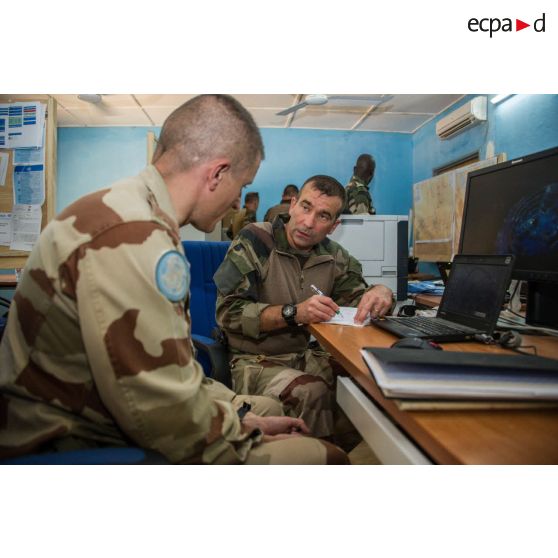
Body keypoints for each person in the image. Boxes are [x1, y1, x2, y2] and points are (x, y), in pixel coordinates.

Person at [0, 95, 348, 465]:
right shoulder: (134, 236)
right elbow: (156, 408)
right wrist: (242, 429)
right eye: (241, 185)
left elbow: (167, 370)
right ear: (217, 173)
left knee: (263, 407)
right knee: (326, 456)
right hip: (67, 439)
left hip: (90, 410)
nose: (236, 203)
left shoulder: (132, 211)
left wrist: (245, 418)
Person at [215, 175, 394, 438]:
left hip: (307, 357)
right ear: (293, 204)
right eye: (306, 207)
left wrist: (382, 291)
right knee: (311, 391)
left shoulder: (334, 256)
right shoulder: (255, 240)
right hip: (255, 360)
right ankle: (315, 456)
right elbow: (228, 313)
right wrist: (293, 313)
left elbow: (360, 303)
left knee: (371, 381)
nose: (308, 223)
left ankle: (336, 453)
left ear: (334, 226)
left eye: (323, 216)